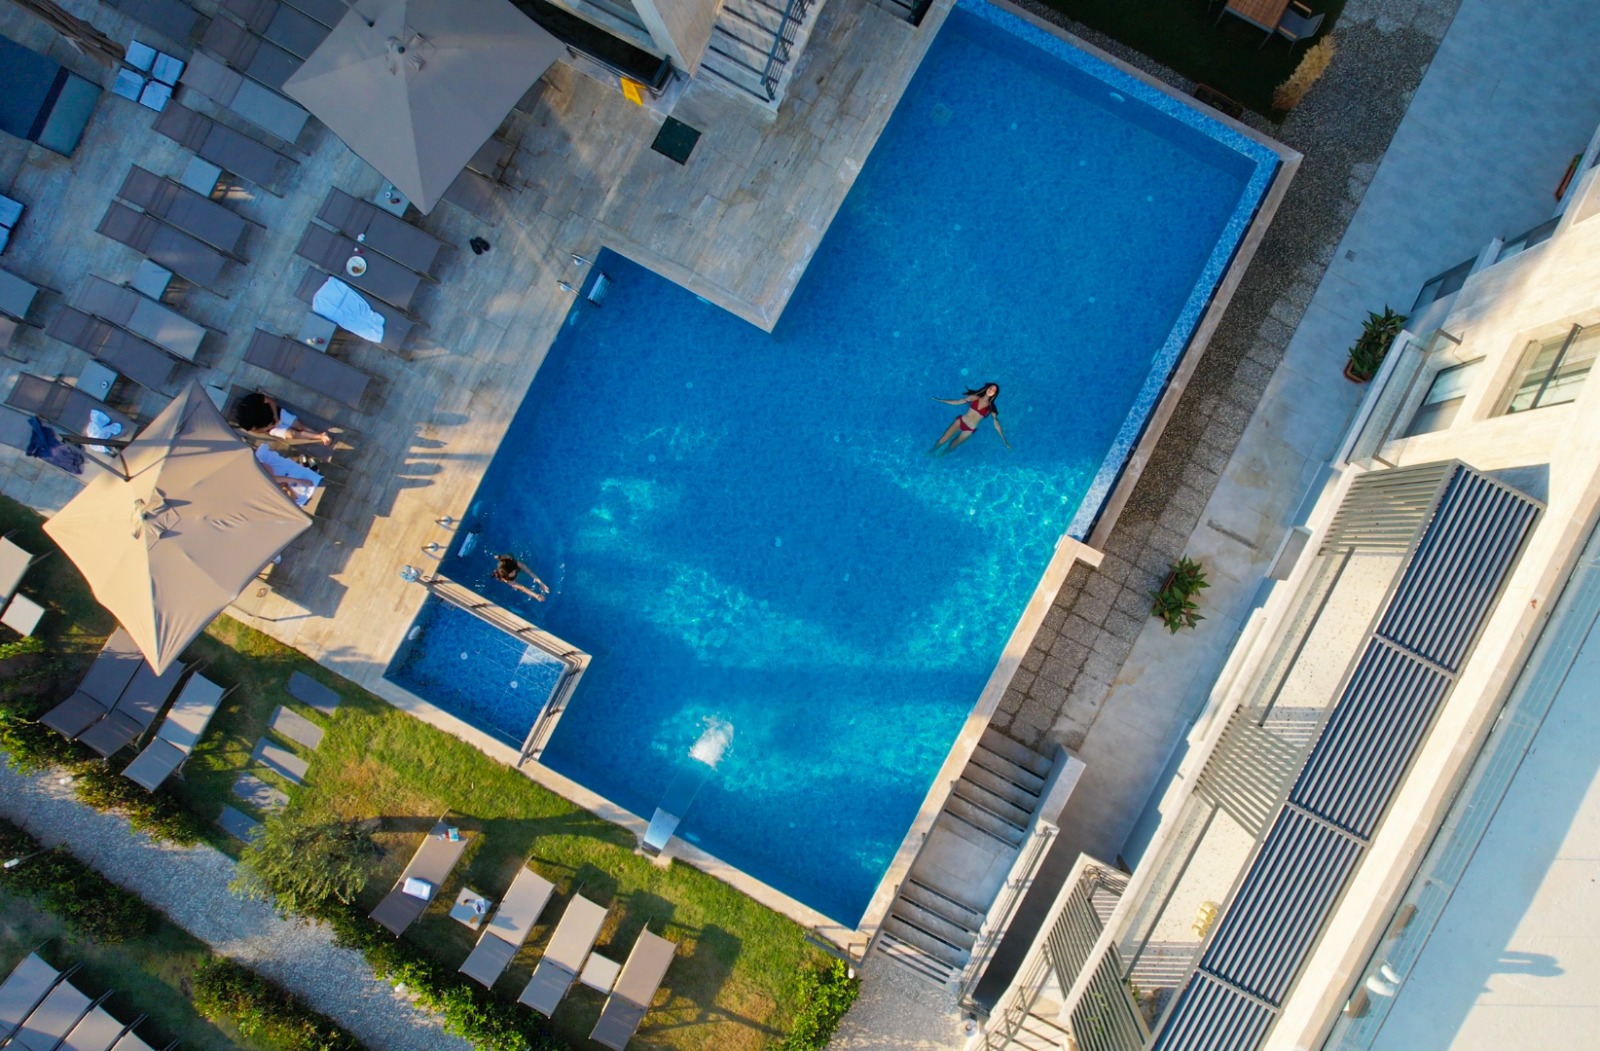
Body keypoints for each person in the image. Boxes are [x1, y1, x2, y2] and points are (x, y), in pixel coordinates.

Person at [931, 383, 1011, 453]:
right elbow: (957, 402)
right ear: (987, 388)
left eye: (993, 390)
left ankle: (940, 456)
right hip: (960, 421)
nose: (991, 390)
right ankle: (930, 453)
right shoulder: (974, 397)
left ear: (994, 394)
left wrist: (1004, 441)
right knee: (942, 440)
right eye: (990, 388)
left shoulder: (991, 408)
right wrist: (940, 400)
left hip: (969, 430)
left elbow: (996, 424)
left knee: (952, 446)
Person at [234, 391, 332, 446]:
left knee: (299, 426)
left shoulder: (250, 400)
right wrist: (269, 426)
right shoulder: (243, 420)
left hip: (277, 413)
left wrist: (275, 416)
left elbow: (270, 401)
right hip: (270, 428)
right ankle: (320, 436)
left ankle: (321, 436)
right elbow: (256, 430)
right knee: (292, 434)